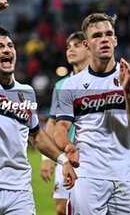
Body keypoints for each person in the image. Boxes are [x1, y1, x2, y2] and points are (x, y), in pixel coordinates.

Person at [0, 0, 77, 215]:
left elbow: (36, 135)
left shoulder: (26, 92)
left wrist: (62, 159)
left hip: (18, 190)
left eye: (10, 46)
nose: (7, 50)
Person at [54, 13, 130, 214]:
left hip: (126, 174)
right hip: (87, 176)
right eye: (97, 35)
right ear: (87, 45)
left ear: (115, 40)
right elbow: (61, 128)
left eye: (108, 34)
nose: (104, 39)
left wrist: (128, 91)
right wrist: (68, 146)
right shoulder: (72, 85)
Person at [40, 31, 90, 215]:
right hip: (66, 154)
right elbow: (52, 121)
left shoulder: (97, 82)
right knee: (61, 208)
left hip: (91, 154)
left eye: (76, 45)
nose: (71, 49)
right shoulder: (61, 85)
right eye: (68, 47)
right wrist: (47, 158)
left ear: (88, 48)